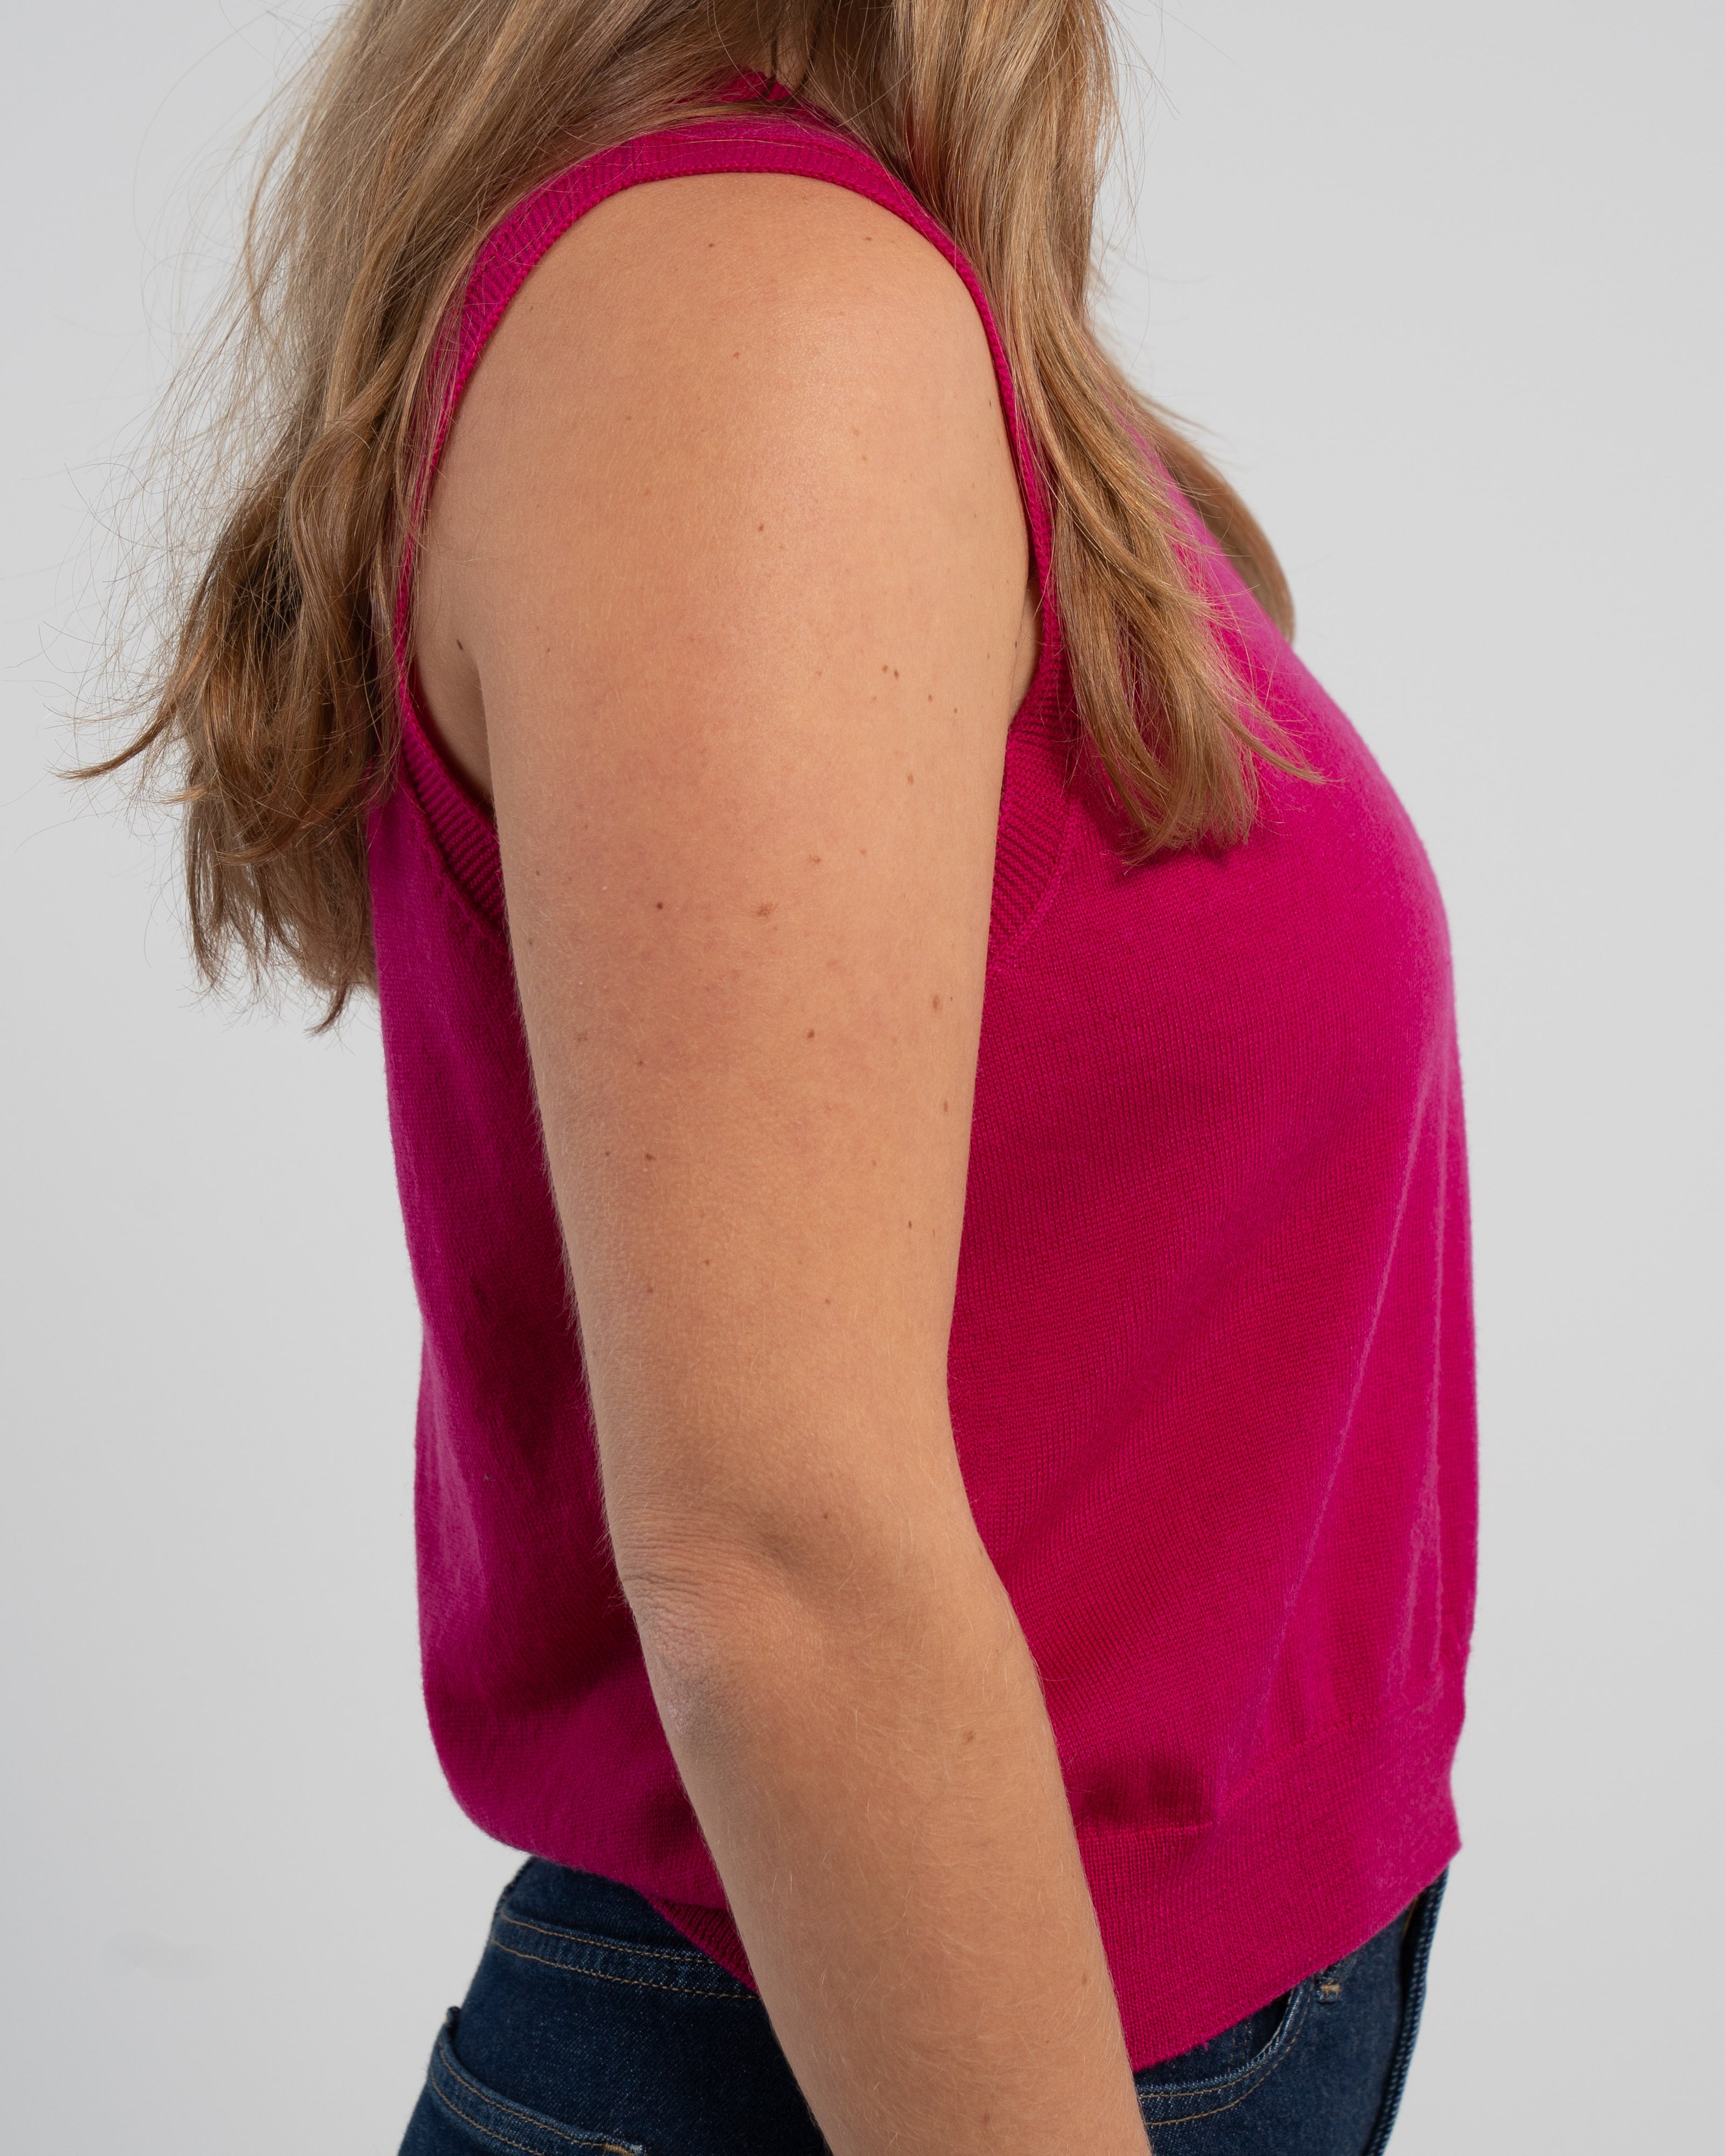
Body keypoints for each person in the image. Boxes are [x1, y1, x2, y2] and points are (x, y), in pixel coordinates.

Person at [96, 4, 1474, 2151]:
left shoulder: (874, 300)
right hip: (862, 2060)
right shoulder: (738, 302)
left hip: (1086, 2014)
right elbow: (765, 1548)